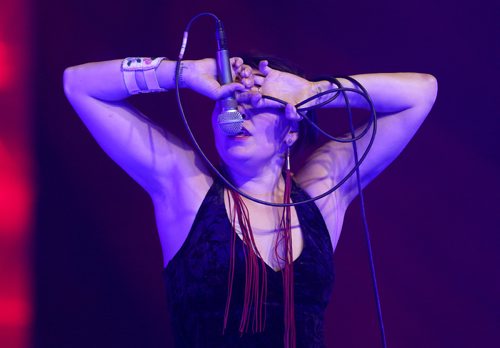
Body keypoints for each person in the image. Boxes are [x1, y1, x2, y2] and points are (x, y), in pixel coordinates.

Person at [63, 55, 437, 348]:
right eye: (229, 101)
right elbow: (79, 84)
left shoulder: (322, 192)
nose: (236, 112)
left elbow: (421, 94)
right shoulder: (187, 186)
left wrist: (314, 90)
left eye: (255, 102)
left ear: (291, 128)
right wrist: (185, 72)